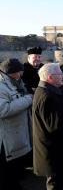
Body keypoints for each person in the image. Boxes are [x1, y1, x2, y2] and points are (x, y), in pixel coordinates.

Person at [0, 58, 33, 190]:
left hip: (17, 131)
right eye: (19, 71)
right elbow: (3, 110)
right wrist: (27, 99)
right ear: (9, 72)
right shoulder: (1, 87)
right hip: (7, 135)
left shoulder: (16, 82)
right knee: (6, 168)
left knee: (14, 165)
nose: (21, 74)